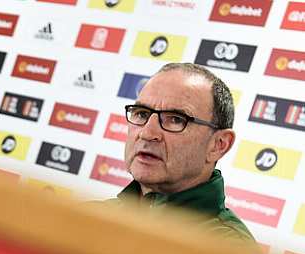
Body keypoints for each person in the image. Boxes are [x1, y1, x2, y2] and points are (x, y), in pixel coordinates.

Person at [109, 63, 255, 243]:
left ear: (218, 145)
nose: (147, 133)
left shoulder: (228, 251)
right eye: (141, 114)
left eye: (176, 120)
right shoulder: (91, 217)